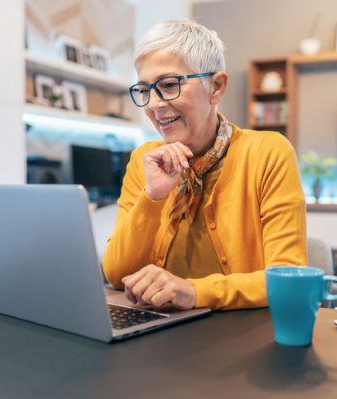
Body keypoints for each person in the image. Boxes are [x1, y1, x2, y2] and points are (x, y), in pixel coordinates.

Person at [102, 19, 307, 310]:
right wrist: (153, 197)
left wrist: (193, 291)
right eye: (145, 90)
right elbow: (116, 274)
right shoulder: (144, 159)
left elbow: (289, 279)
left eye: (170, 85)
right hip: (160, 336)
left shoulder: (267, 153)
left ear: (217, 87)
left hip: (240, 337)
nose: (154, 105)